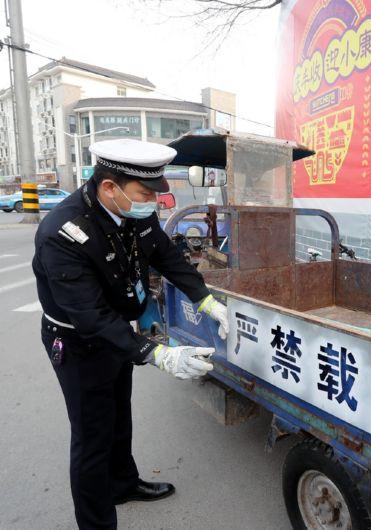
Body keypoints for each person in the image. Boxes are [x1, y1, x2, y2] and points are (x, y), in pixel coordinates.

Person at [33, 139, 230, 530]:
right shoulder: (62, 234)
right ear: (110, 187)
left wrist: (206, 300)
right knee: (92, 436)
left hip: (118, 332)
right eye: (145, 194)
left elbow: (165, 255)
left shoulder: (133, 210)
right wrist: (157, 353)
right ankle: (96, 524)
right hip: (78, 342)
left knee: (119, 415)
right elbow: (91, 317)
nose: (152, 203)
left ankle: (122, 484)